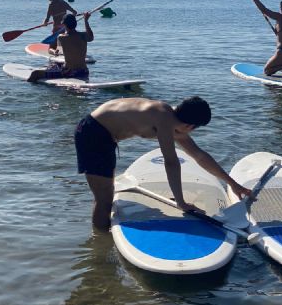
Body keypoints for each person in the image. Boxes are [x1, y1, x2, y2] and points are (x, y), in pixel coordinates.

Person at [74, 96, 252, 230]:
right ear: (191, 125)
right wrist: (181, 203)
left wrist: (233, 184)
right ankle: (100, 245)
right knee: (104, 199)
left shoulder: (169, 117)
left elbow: (200, 156)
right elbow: (171, 162)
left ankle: (102, 234)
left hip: (102, 135)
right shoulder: (164, 119)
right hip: (93, 133)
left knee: (107, 194)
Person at [27, 12, 93, 82]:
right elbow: (91, 37)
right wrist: (86, 20)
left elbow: (50, 49)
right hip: (84, 71)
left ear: (64, 24)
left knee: (35, 74)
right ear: (75, 24)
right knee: (59, 65)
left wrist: (54, 51)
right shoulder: (83, 36)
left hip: (69, 72)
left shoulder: (61, 37)